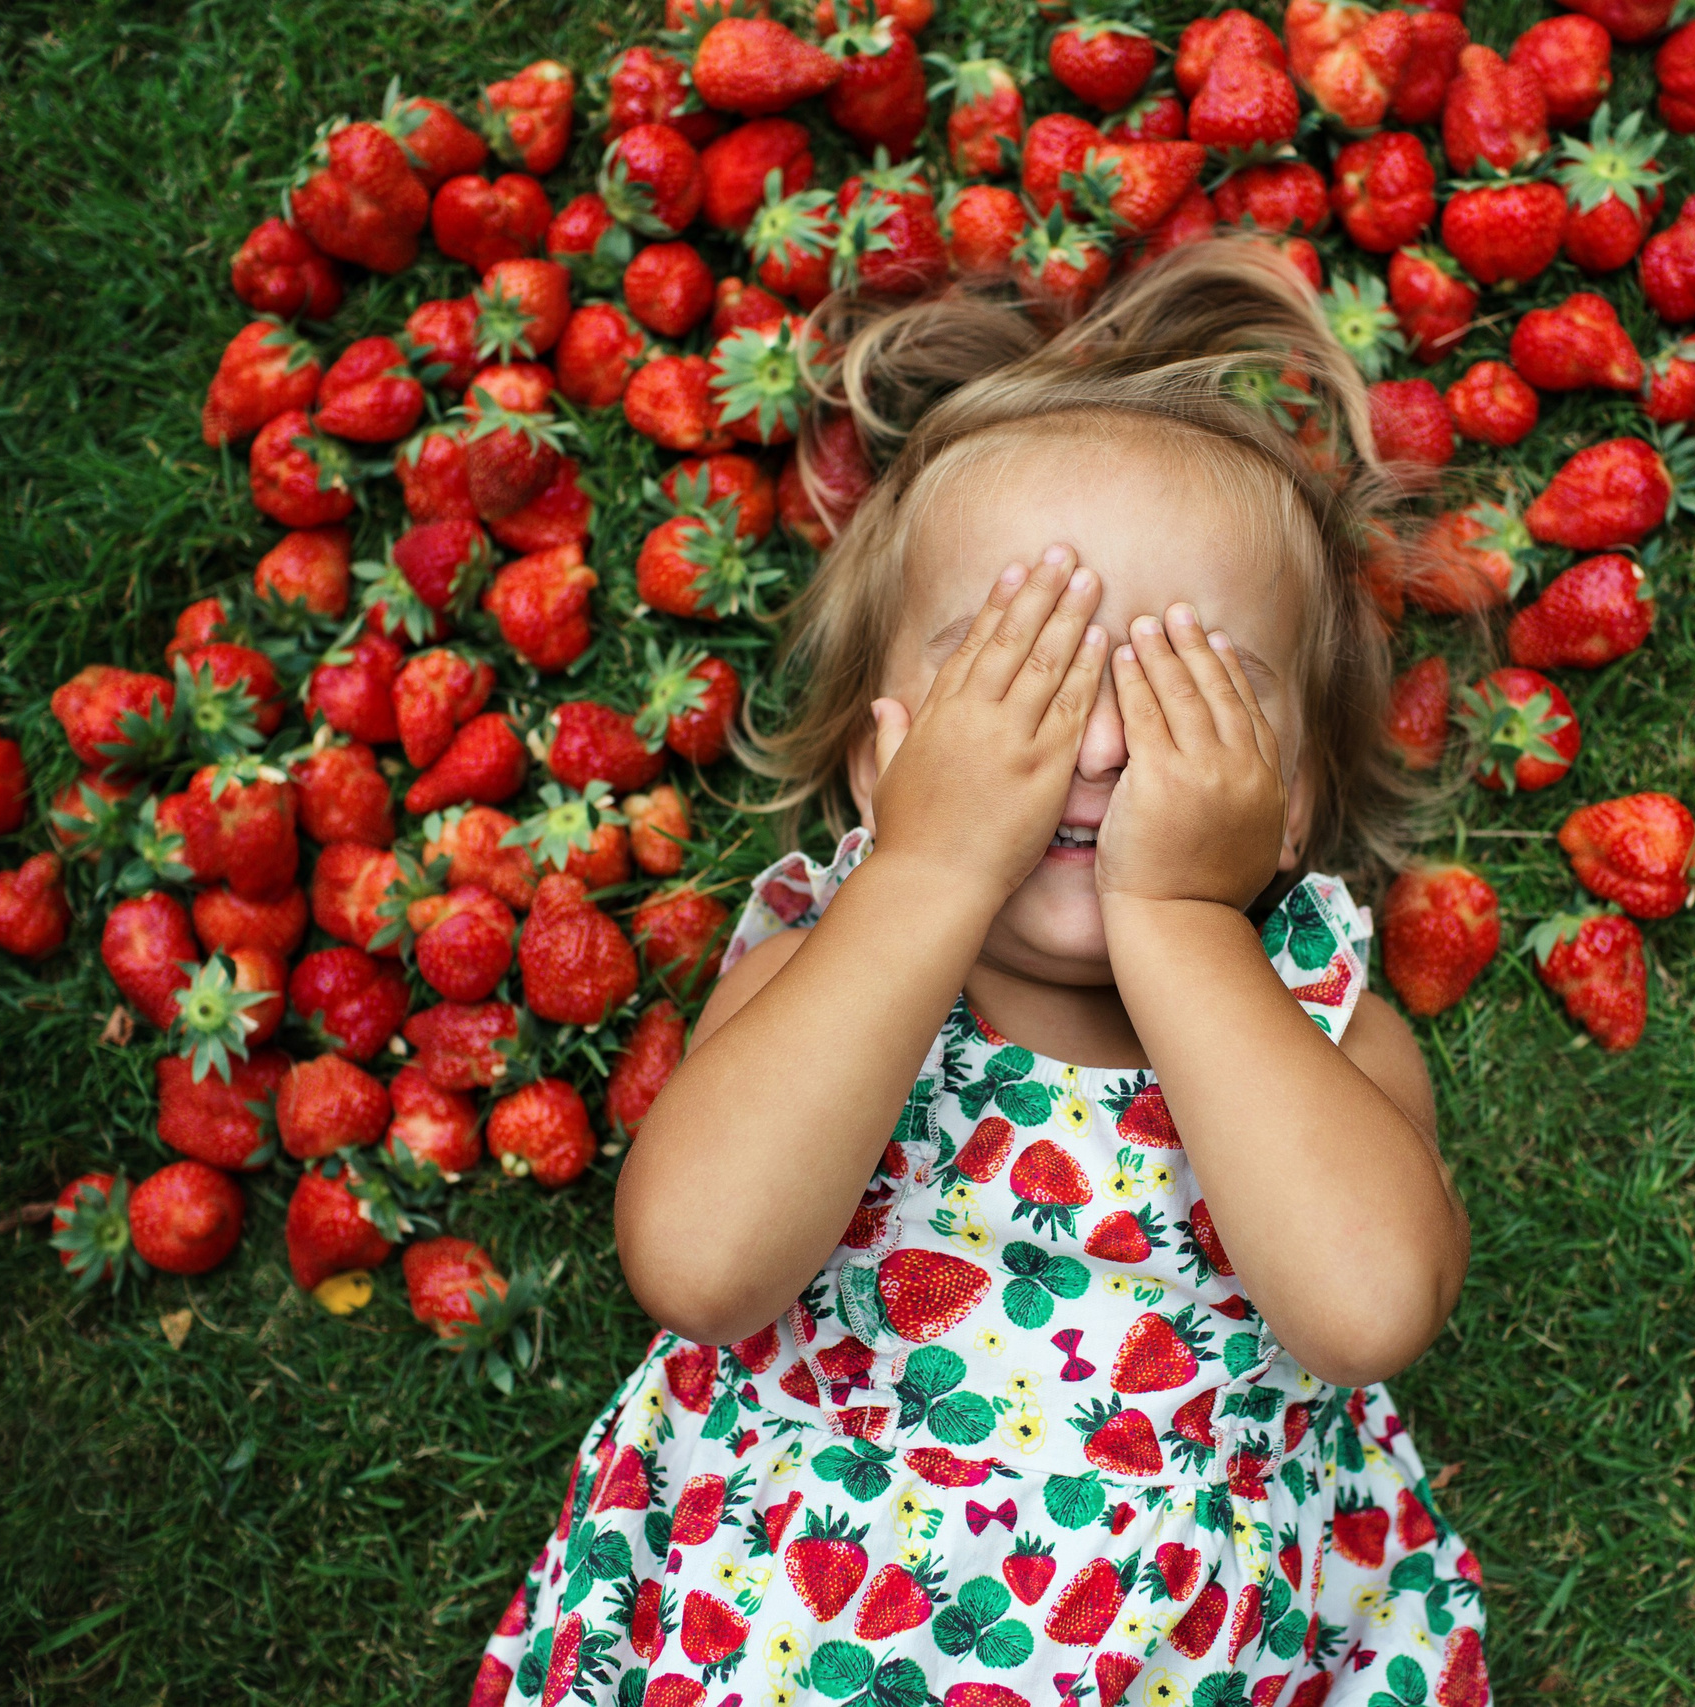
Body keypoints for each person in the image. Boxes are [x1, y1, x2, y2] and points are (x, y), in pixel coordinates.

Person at [476, 240, 1488, 1707]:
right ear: (888, 764)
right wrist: (932, 874)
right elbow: (700, 1271)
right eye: (1023, 685)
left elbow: (1367, 1312)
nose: (1093, 749)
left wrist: (1186, 923)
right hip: (772, 1636)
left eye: (1176, 693)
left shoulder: (1323, 1030)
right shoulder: (830, 967)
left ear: (1288, 800)